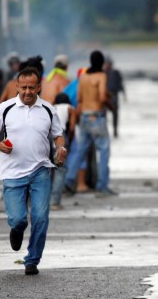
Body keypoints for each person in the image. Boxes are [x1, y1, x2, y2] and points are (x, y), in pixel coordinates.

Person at [0, 66, 66, 275]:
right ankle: (17, 228)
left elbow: (58, 135)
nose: (28, 92)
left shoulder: (48, 109)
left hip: (41, 170)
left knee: (40, 217)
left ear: (39, 86)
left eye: (32, 87)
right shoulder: (6, 108)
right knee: (19, 219)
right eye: (24, 87)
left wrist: (61, 148)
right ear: (17, 86)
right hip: (12, 173)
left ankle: (32, 260)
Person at [63, 51, 117, 196]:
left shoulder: (83, 77)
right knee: (104, 152)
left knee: (80, 151)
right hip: (97, 117)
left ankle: (68, 181)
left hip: (84, 117)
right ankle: (102, 186)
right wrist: (111, 107)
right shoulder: (101, 76)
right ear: (102, 62)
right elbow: (101, 96)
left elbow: (80, 98)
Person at [49, 92, 76, 210]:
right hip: (61, 136)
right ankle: (55, 201)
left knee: (47, 169)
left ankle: (44, 199)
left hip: (47, 136)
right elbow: (72, 127)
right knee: (60, 169)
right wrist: (70, 139)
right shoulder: (70, 108)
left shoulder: (51, 108)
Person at [105, 58, 125, 138]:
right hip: (105, 96)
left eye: (109, 64)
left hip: (114, 95)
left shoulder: (116, 72)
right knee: (104, 115)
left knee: (115, 115)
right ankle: (106, 131)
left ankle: (115, 131)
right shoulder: (103, 73)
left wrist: (124, 94)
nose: (108, 65)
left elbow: (121, 84)